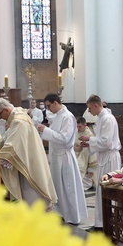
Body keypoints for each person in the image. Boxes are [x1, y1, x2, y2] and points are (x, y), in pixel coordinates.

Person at [0, 98, 57, 209]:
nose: (0, 118)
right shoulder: (18, 115)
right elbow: (7, 138)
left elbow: (11, 146)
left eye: (0, 114)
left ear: (6, 110)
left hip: (28, 164)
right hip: (27, 159)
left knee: (30, 194)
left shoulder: (18, 121)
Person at [38, 94, 87, 225]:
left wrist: (46, 130)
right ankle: (62, 213)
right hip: (56, 157)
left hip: (64, 158)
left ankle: (72, 216)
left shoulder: (67, 117)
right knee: (58, 188)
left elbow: (64, 138)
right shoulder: (58, 116)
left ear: (55, 103)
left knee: (68, 187)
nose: (48, 109)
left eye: (49, 106)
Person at [80, 94, 121, 231]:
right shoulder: (102, 118)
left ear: (96, 106)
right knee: (101, 191)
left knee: (108, 190)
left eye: (90, 108)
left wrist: (90, 140)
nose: (89, 112)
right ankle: (101, 223)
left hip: (109, 157)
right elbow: (102, 141)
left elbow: (106, 142)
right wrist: (90, 144)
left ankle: (108, 224)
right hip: (105, 156)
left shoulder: (107, 119)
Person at [75, 117, 97, 190]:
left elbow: (93, 151)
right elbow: (72, 146)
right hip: (76, 155)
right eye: (77, 126)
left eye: (80, 126)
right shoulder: (75, 133)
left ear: (85, 125)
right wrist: (78, 148)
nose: (78, 128)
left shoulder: (89, 135)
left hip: (86, 160)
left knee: (79, 168)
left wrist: (91, 169)